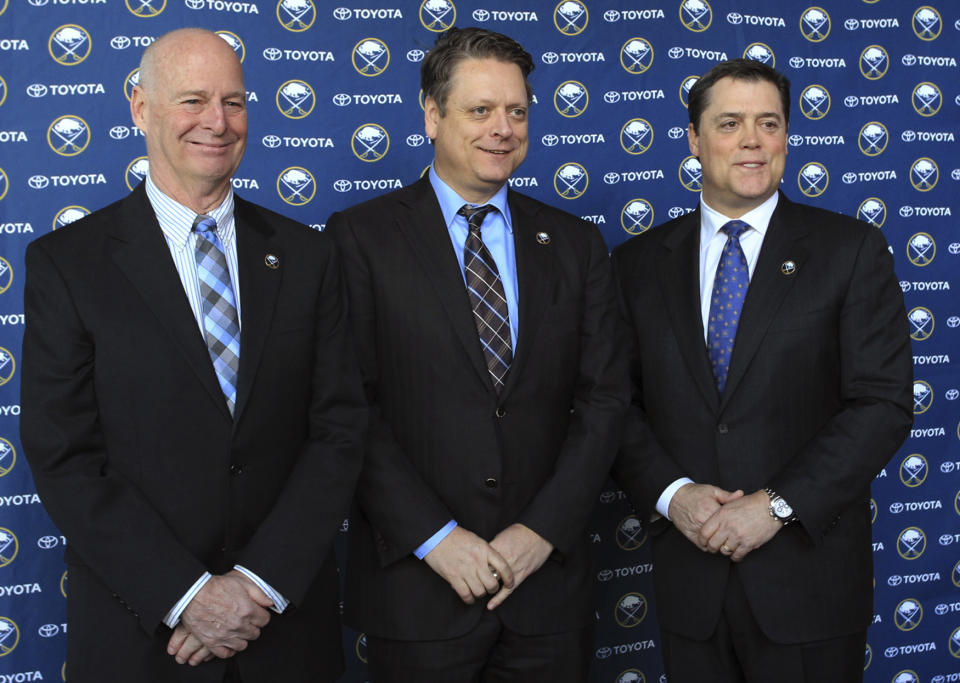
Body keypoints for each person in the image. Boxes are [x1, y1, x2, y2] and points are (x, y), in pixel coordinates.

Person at [20, 28, 366, 683]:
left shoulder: (307, 256)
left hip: (285, 633)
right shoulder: (69, 265)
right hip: (143, 638)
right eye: (193, 100)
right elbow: (65, 455)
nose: (217, 121)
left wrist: (256, 587)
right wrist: (188, 597)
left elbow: (340, 431)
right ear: (140, 109)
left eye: (234, 102)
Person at [326, 26, 628, 682]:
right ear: (432, 116)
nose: (503, 128)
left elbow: (604, 400)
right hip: (419, 590)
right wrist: (438, 539)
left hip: (547, 592)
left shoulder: (575, 244)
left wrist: (539, 533)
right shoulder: (361, 238)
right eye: (480, 110)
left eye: (517, 111)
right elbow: (349, 409)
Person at [611, 58, 913, 682]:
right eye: (730, 123)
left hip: (809, 585)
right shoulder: (637, 263)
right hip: (690, 584)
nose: (752, 140)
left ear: (785, 137)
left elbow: (881, 404)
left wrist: (774, 506)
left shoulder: (849, 251)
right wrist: (674, 497)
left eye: (768, 123)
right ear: (694, 140)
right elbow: (614, 403)